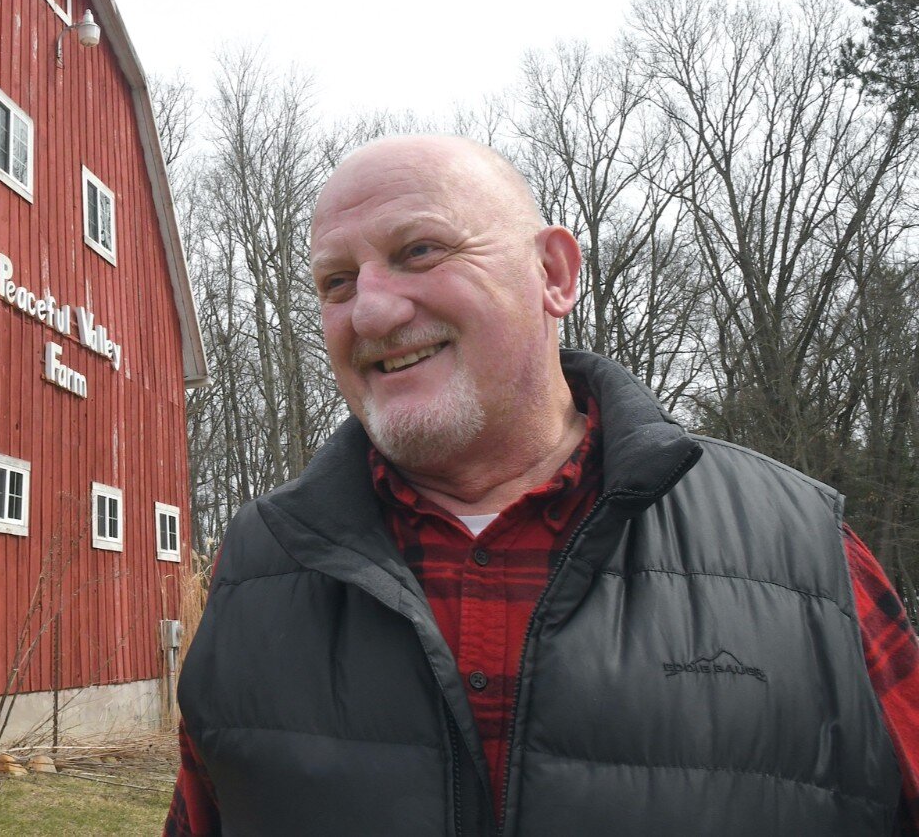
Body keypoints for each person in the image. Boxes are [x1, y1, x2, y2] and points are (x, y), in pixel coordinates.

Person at [167, 136, 919, 836]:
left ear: (553, 274)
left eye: (419, 250)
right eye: (337, 282)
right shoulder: (256, 570)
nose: (370, 309)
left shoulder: (798, 550)